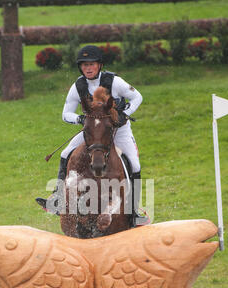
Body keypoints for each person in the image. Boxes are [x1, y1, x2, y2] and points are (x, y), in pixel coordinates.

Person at [36, 45, 149, 226]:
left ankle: (134, 211)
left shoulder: (115, 82)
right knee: (65, 154)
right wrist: (81, 119)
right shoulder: (78, 86)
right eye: (84, 65)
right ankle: (57, 198)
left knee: (134, 164)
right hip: (93, 131)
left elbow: (138, 97)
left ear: (99, 65)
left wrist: (125, 113)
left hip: (119, 130)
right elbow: (66, 114)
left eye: (92, 64)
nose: (88, 68)